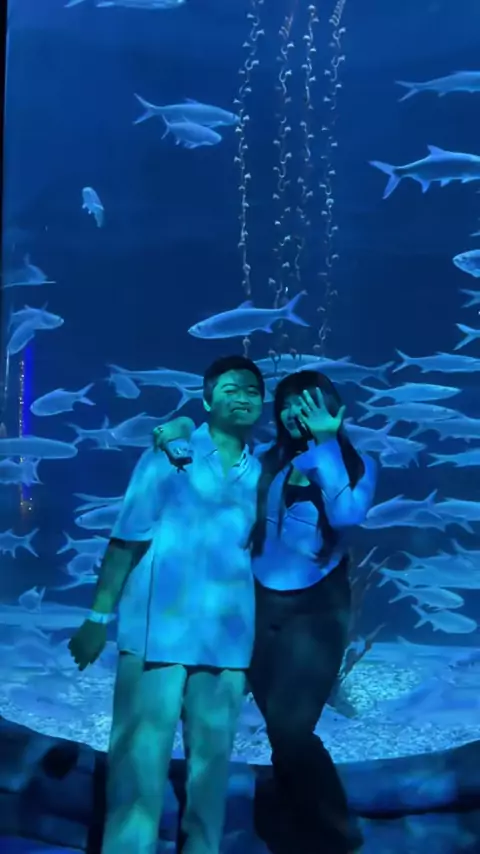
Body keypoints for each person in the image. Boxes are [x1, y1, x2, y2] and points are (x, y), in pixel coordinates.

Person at [154, 369, 377, 854]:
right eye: (289, 404)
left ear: (332, 407)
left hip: (317, 613)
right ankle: (293, 818)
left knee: (294, 729)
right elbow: (218, 494)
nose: (297, 412)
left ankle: (339, 832)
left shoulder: (357, 465)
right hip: (256, 605)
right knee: (277, 724)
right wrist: (180, 431)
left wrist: (326, 445)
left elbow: (347, 515)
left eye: (309, 403)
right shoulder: (266, 461)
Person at [68, 354, 265, 854]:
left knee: (211, 777)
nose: (242, 398)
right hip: (156, 635)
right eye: (231, 389)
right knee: (136, 772)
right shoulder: (167, 456)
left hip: (226, 645)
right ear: (206, 399)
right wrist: (97, 617)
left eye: (252, 391)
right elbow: (125, 540)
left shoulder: (263, 474)